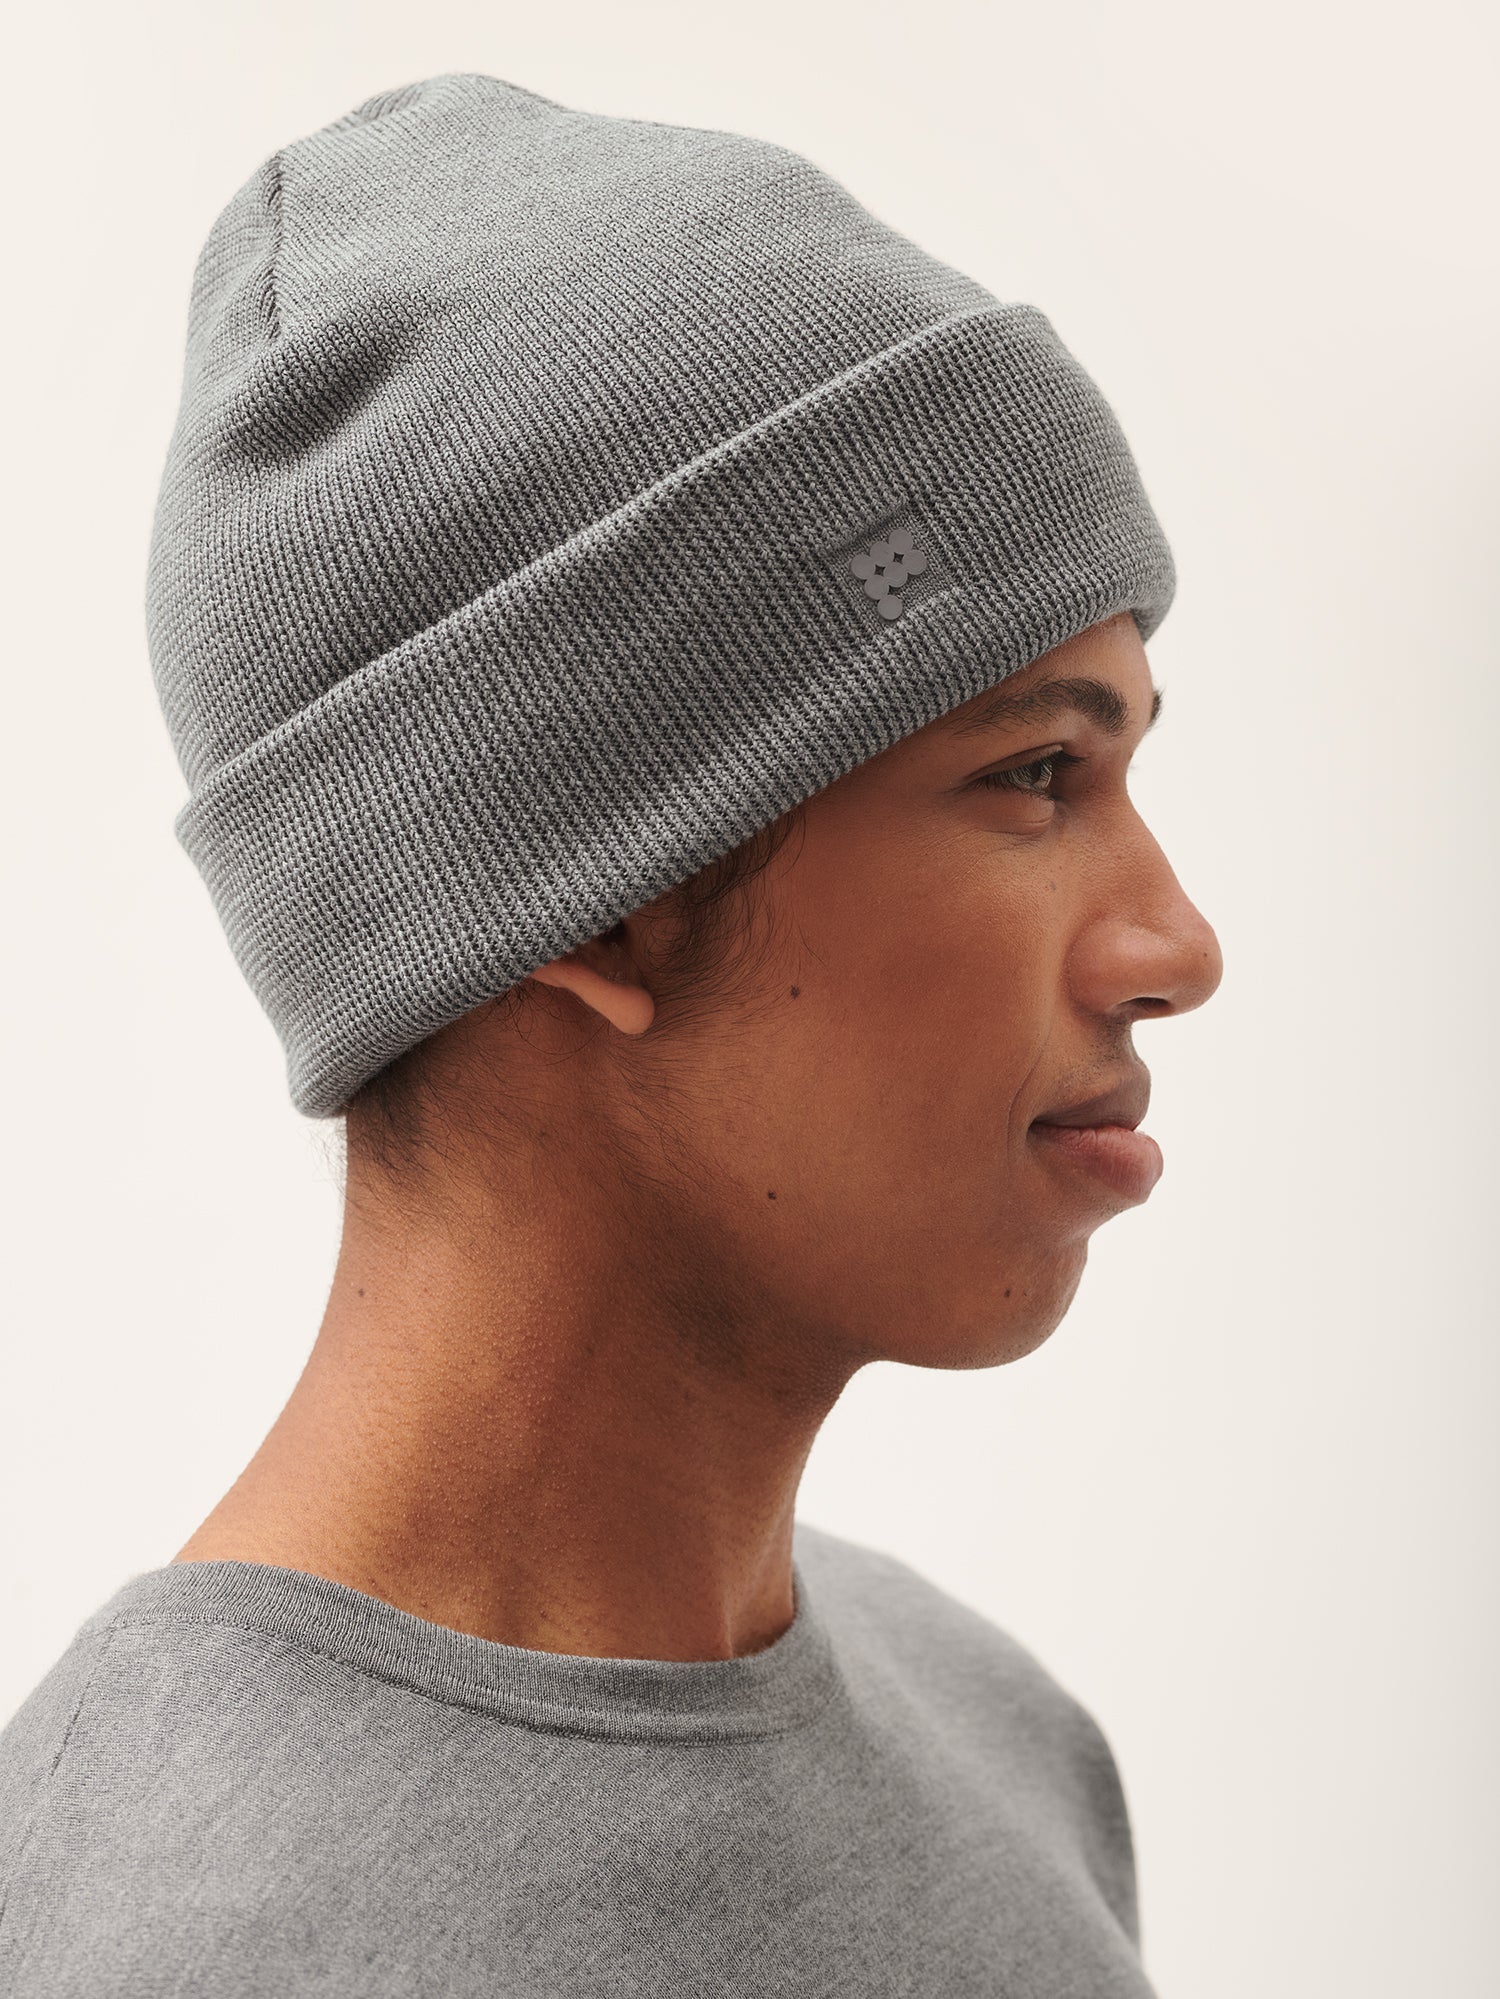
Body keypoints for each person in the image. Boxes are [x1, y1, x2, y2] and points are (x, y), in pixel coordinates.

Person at [0, 70, 1221, 1997]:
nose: (1177, 946)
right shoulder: (184, 1938)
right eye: (1034, 774)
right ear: (595, 895)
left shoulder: (1001, 1738)